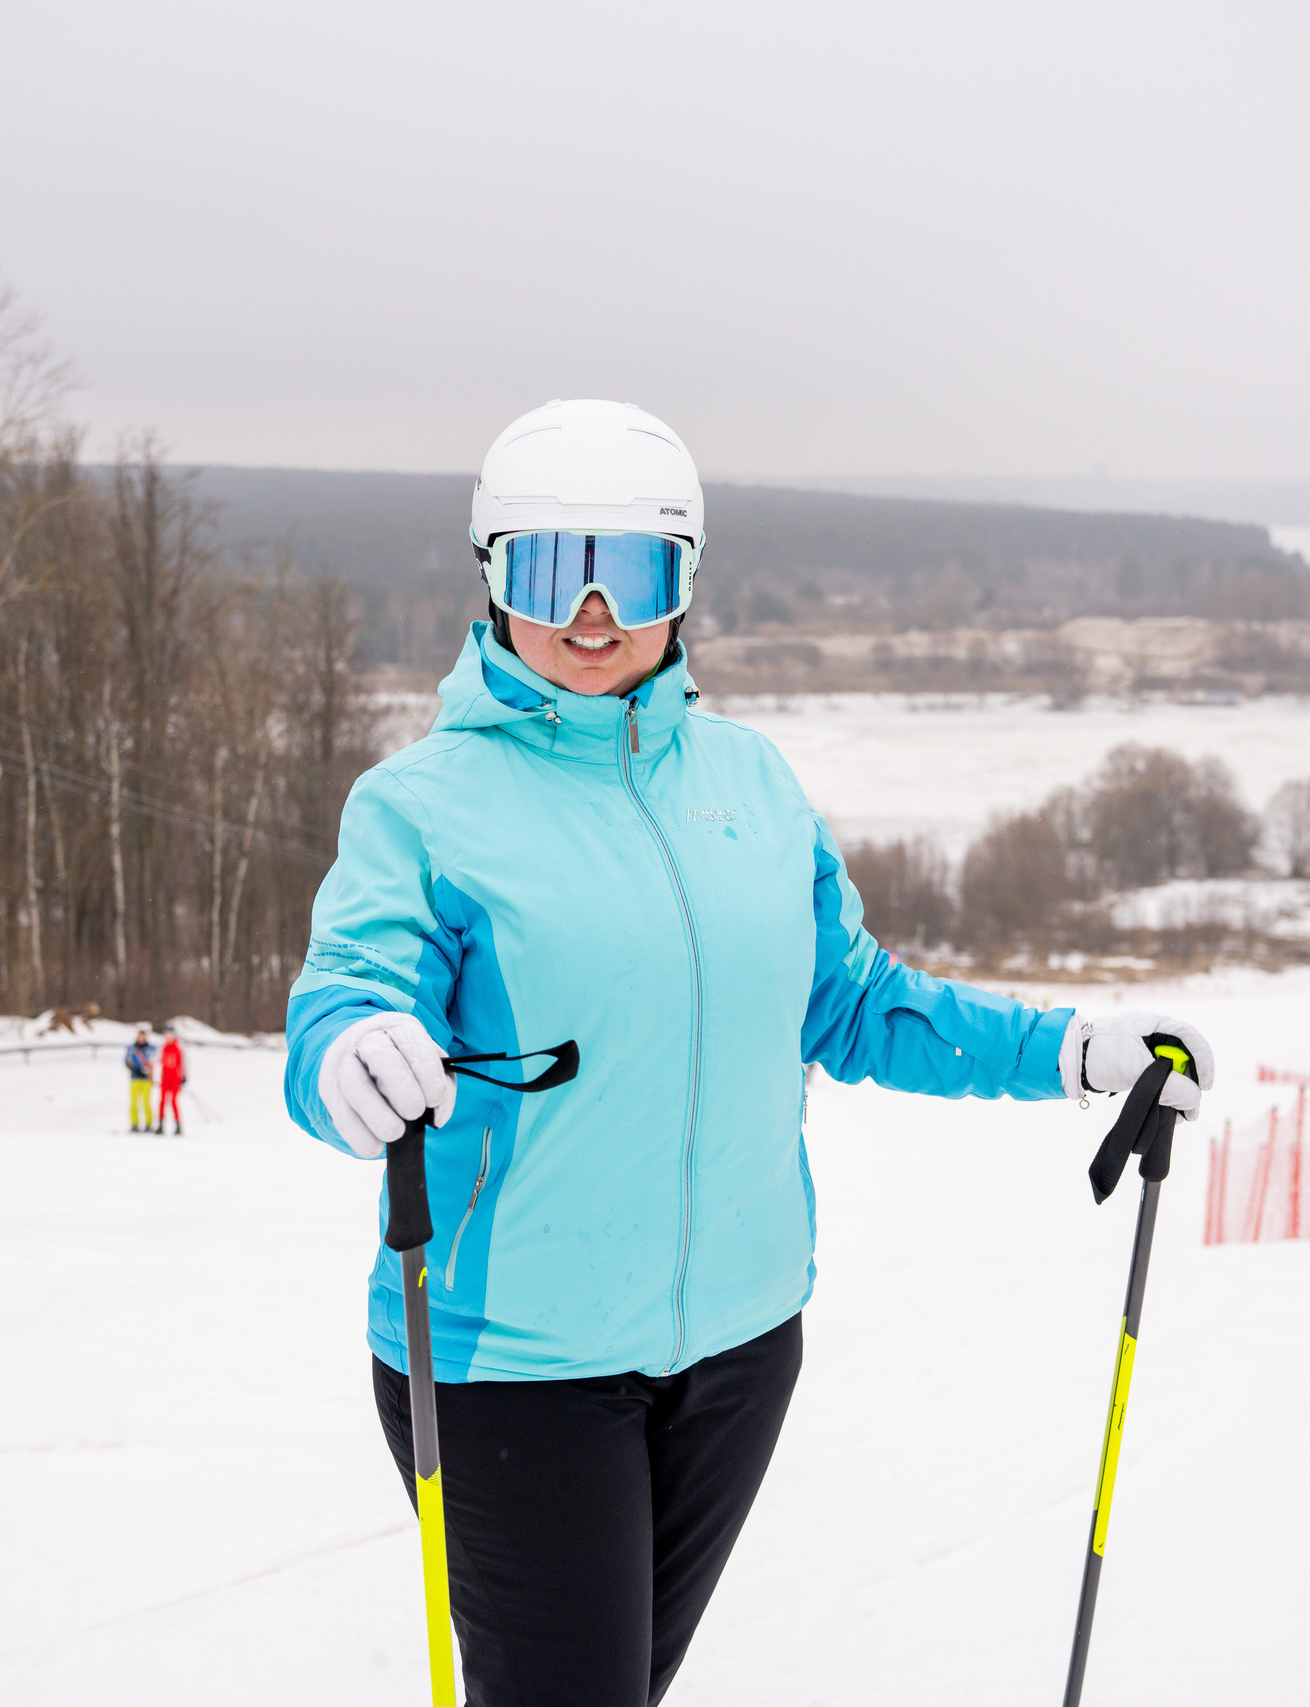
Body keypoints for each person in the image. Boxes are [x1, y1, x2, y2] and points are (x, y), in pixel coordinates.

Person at [283, 399, 1213, 1706]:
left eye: (638, 571)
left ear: (686, 584)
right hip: (519, 1365)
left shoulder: (755, 787)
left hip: (739, 1346)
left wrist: (1070, 1047)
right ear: (492, 577)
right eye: (554, 570)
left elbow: (855, 1000)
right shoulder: (424, 807)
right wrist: (347, 1049)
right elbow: (346, 994)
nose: (595, 611)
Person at [123, 1024, 156, 1133]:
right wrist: (133, 1069)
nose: (141, 1038)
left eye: (143, 1036)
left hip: (146, 1079)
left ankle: (148, 1124)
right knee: (134, 1103)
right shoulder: (132, 1048)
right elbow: (126, 1061)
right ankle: (134, 1124)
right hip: (135, 1078)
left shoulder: (150, 1048)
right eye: (140, 1036)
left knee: (146, 1103)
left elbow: (154, 1061)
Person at [155, 1023, 185, 1135]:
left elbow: (182, 1064)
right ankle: (160, 1125)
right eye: (166, 1034)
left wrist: (183, 1077)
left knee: (173, 1102)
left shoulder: (178, 1048)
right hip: (165, 1079)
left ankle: (178, 1125)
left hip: (175, 1079)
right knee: (162, 1101)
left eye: (169, 1034)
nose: (167, 1037)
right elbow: (160, 1062)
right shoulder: (164, 1048)